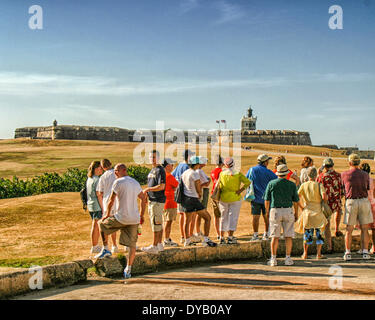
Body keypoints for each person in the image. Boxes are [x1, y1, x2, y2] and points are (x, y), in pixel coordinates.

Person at [97, 164, 147, 279]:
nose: (115, 173)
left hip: (121, 217)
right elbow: (143, 198)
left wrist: (107, 215)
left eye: (116, 171)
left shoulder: (118, 182)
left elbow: (111, 200)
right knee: (132, 245)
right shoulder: (135, 182)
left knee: (101, 224)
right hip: (134, 219)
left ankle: (106, 249)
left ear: (123, 170)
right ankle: (128, 269)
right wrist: (141, 215)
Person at [264, 164, 299, 266]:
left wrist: (267, 211)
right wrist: (296, 213)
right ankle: (288, 258)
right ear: (286, 174)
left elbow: (267, 199)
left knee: (275, 236)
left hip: (275, 210)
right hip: (288, 210)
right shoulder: (291, 185)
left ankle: (273, 258)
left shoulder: (271, 184)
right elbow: (295, 201)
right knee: (288, 236)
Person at [341, 154, 373, 261]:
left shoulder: (344, 174)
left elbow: (343, 189)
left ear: (349, 162)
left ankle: (348, 252)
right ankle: (365, 251)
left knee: (349, 229)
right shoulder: (365, 175)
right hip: (364, 201)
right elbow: (367, 187)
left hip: (351, 201)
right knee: (365, 228)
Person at [181, 156, 217, 247]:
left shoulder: (185, 173)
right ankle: (205, 239)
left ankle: (187, 240)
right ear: (196, 164)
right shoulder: (195, 173)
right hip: (194, 198)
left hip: (186, 198)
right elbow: (198, 186)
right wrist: (200, 193)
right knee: (207, 218)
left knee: (187, 220)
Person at [296, 167, 328, 259]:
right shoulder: (319, 185)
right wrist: (324, 202)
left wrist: (301, 206)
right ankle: (318, 254)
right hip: (318, 211)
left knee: (307, 234)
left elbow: (297, 197)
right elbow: (324, 196)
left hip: (307, 212)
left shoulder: (304, 185)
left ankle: (305, 253)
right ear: (316, 175)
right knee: (319, 235)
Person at [218, 157, 251, 244]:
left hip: (223, 197)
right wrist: (240, 190)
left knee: (223, 217)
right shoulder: (237, 173)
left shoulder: (222, 173)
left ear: (225, 165)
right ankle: (230, 237)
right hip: (235, 197)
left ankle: (221, 237)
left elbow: (220, 186)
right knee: (233, 217)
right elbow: (248, 182)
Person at [246, 154, 277, 241]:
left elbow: (246, 179)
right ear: (265, 162)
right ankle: (266, 234)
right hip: (267, 199)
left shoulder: (252, 169)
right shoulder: (269, 172)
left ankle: (255, 235)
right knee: (266, 217)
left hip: (255, 197)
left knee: (255, 217)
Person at [317, 157, 344, 252]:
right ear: (332, 165)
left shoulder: (322, 176)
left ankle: (329, 246)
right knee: (338, 212)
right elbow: (342, 189)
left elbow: (317, 187)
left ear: (324, 166)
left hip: (326, 202)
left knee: (327, 225)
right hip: (336, 200)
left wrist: (318, 173)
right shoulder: (339, 175)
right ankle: (337, 229)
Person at [142, 150, 166, 254]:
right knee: (157, 223)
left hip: (157, 200)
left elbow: (162, 186)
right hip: (152, 200)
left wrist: (148, 189)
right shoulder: (152, 170)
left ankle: (154, 245)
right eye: (151, 157)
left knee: (156, 223)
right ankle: (159, 244)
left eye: (155, 157)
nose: (152, 159)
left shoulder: (160, 170)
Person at [172, 149, 195, 244]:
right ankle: (188, 235)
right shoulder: (187, 167)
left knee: (182, 215)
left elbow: (172, 175)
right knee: (190, 216)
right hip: (187, 194)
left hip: (179, 194)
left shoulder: (179, 166)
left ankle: (182, 236)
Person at [96, 159, 118, 253]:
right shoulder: (116, 173)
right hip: (118, 201)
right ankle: (125, 245)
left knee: (108, 225)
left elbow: (100, 192)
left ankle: (113, 245)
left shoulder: (103, 177)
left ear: (103, 167)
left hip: (107, 201)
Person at [86, 161, 104, 254]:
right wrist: (103, 207)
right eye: (100, 168)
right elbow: (98, 194)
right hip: (97, 205)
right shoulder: (97, 180)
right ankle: (95, 246)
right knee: (96, 225)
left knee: (95, 224)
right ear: (96, 169)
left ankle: (95, 245)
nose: (102, 170)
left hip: (91, 205)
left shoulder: (90, 179)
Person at [192, 156, 211, 242]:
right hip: (203, 192)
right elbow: (206, 183)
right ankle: (198, 231)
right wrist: (208, 180)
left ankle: (198, 231)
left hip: (201, 192)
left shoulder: (197, 171)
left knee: (199, 214)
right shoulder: (199, 171)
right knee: (201, 213)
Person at [358, 163, 375, 254]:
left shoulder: (361, 181)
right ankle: (374, 247)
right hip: (373, 204)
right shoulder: (373, 180)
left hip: (364, 204)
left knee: (364, 229)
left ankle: (363, 248)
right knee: (374, 228)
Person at [162, 158, 179, 247]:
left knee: (166, 221)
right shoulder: (169, 176)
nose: (173, 167)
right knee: (168, 222)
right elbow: (177, 186)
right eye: (172, 165)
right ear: (168, 166)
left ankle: (166, 238)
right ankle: (166, 239)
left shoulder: (161, 175)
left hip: (164, 202)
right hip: (170, 202)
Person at [210, 156, 224, 239]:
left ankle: (218, 234)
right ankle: (221, 233)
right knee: (222, 215)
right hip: (220, 194)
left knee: (216, 216)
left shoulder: (213, 171)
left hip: (214, 193)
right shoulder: (221, 172)